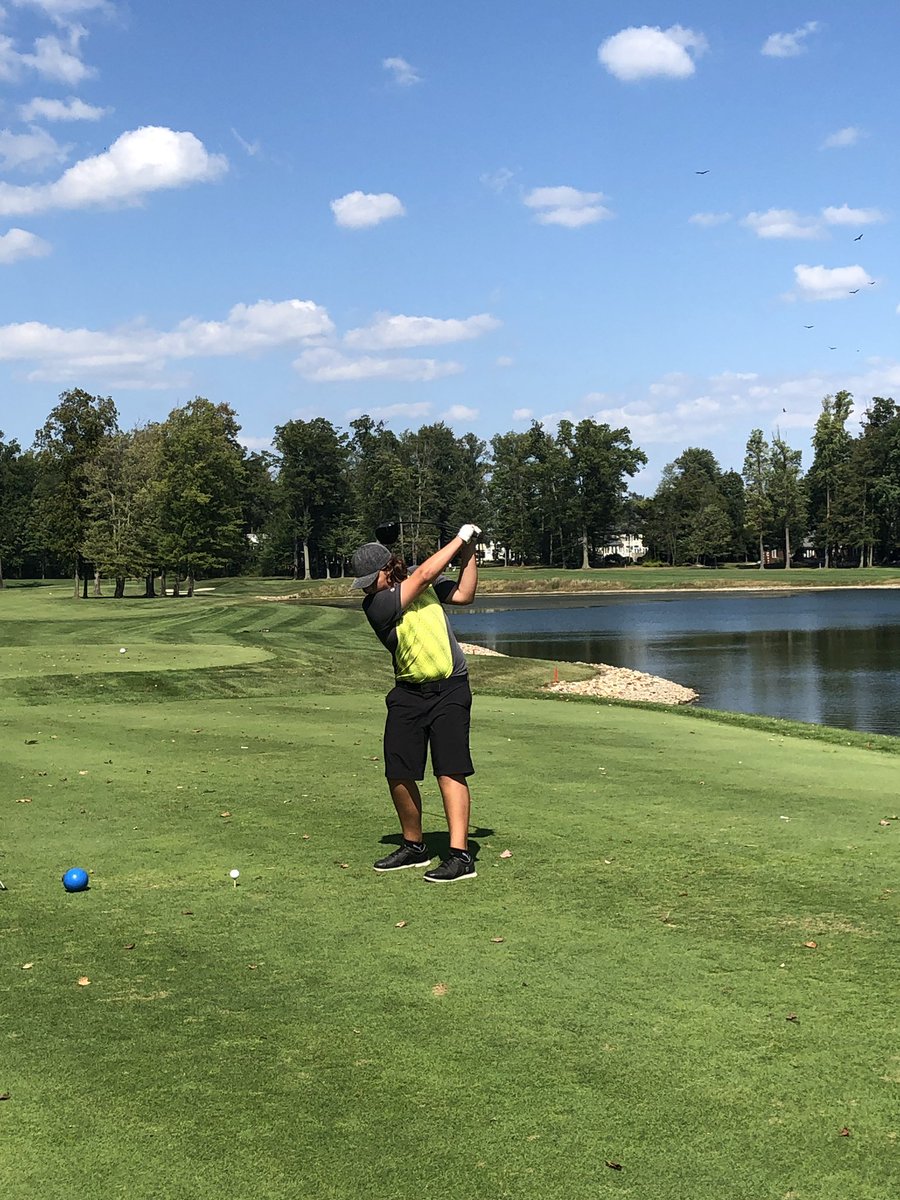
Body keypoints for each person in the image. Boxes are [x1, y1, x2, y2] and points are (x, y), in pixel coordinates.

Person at [351, 523, 481, 883]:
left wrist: (469, 552)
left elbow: (465, 594)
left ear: (385, 570)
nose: (364, 587)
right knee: (399, 770)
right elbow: (424, 574)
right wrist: (459, 539)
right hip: (408, 694)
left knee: (450, 769)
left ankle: (460, 855)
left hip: (451, 689)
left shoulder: (423, 588)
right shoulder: (376, 604)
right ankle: (414, 846)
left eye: (367, 579)